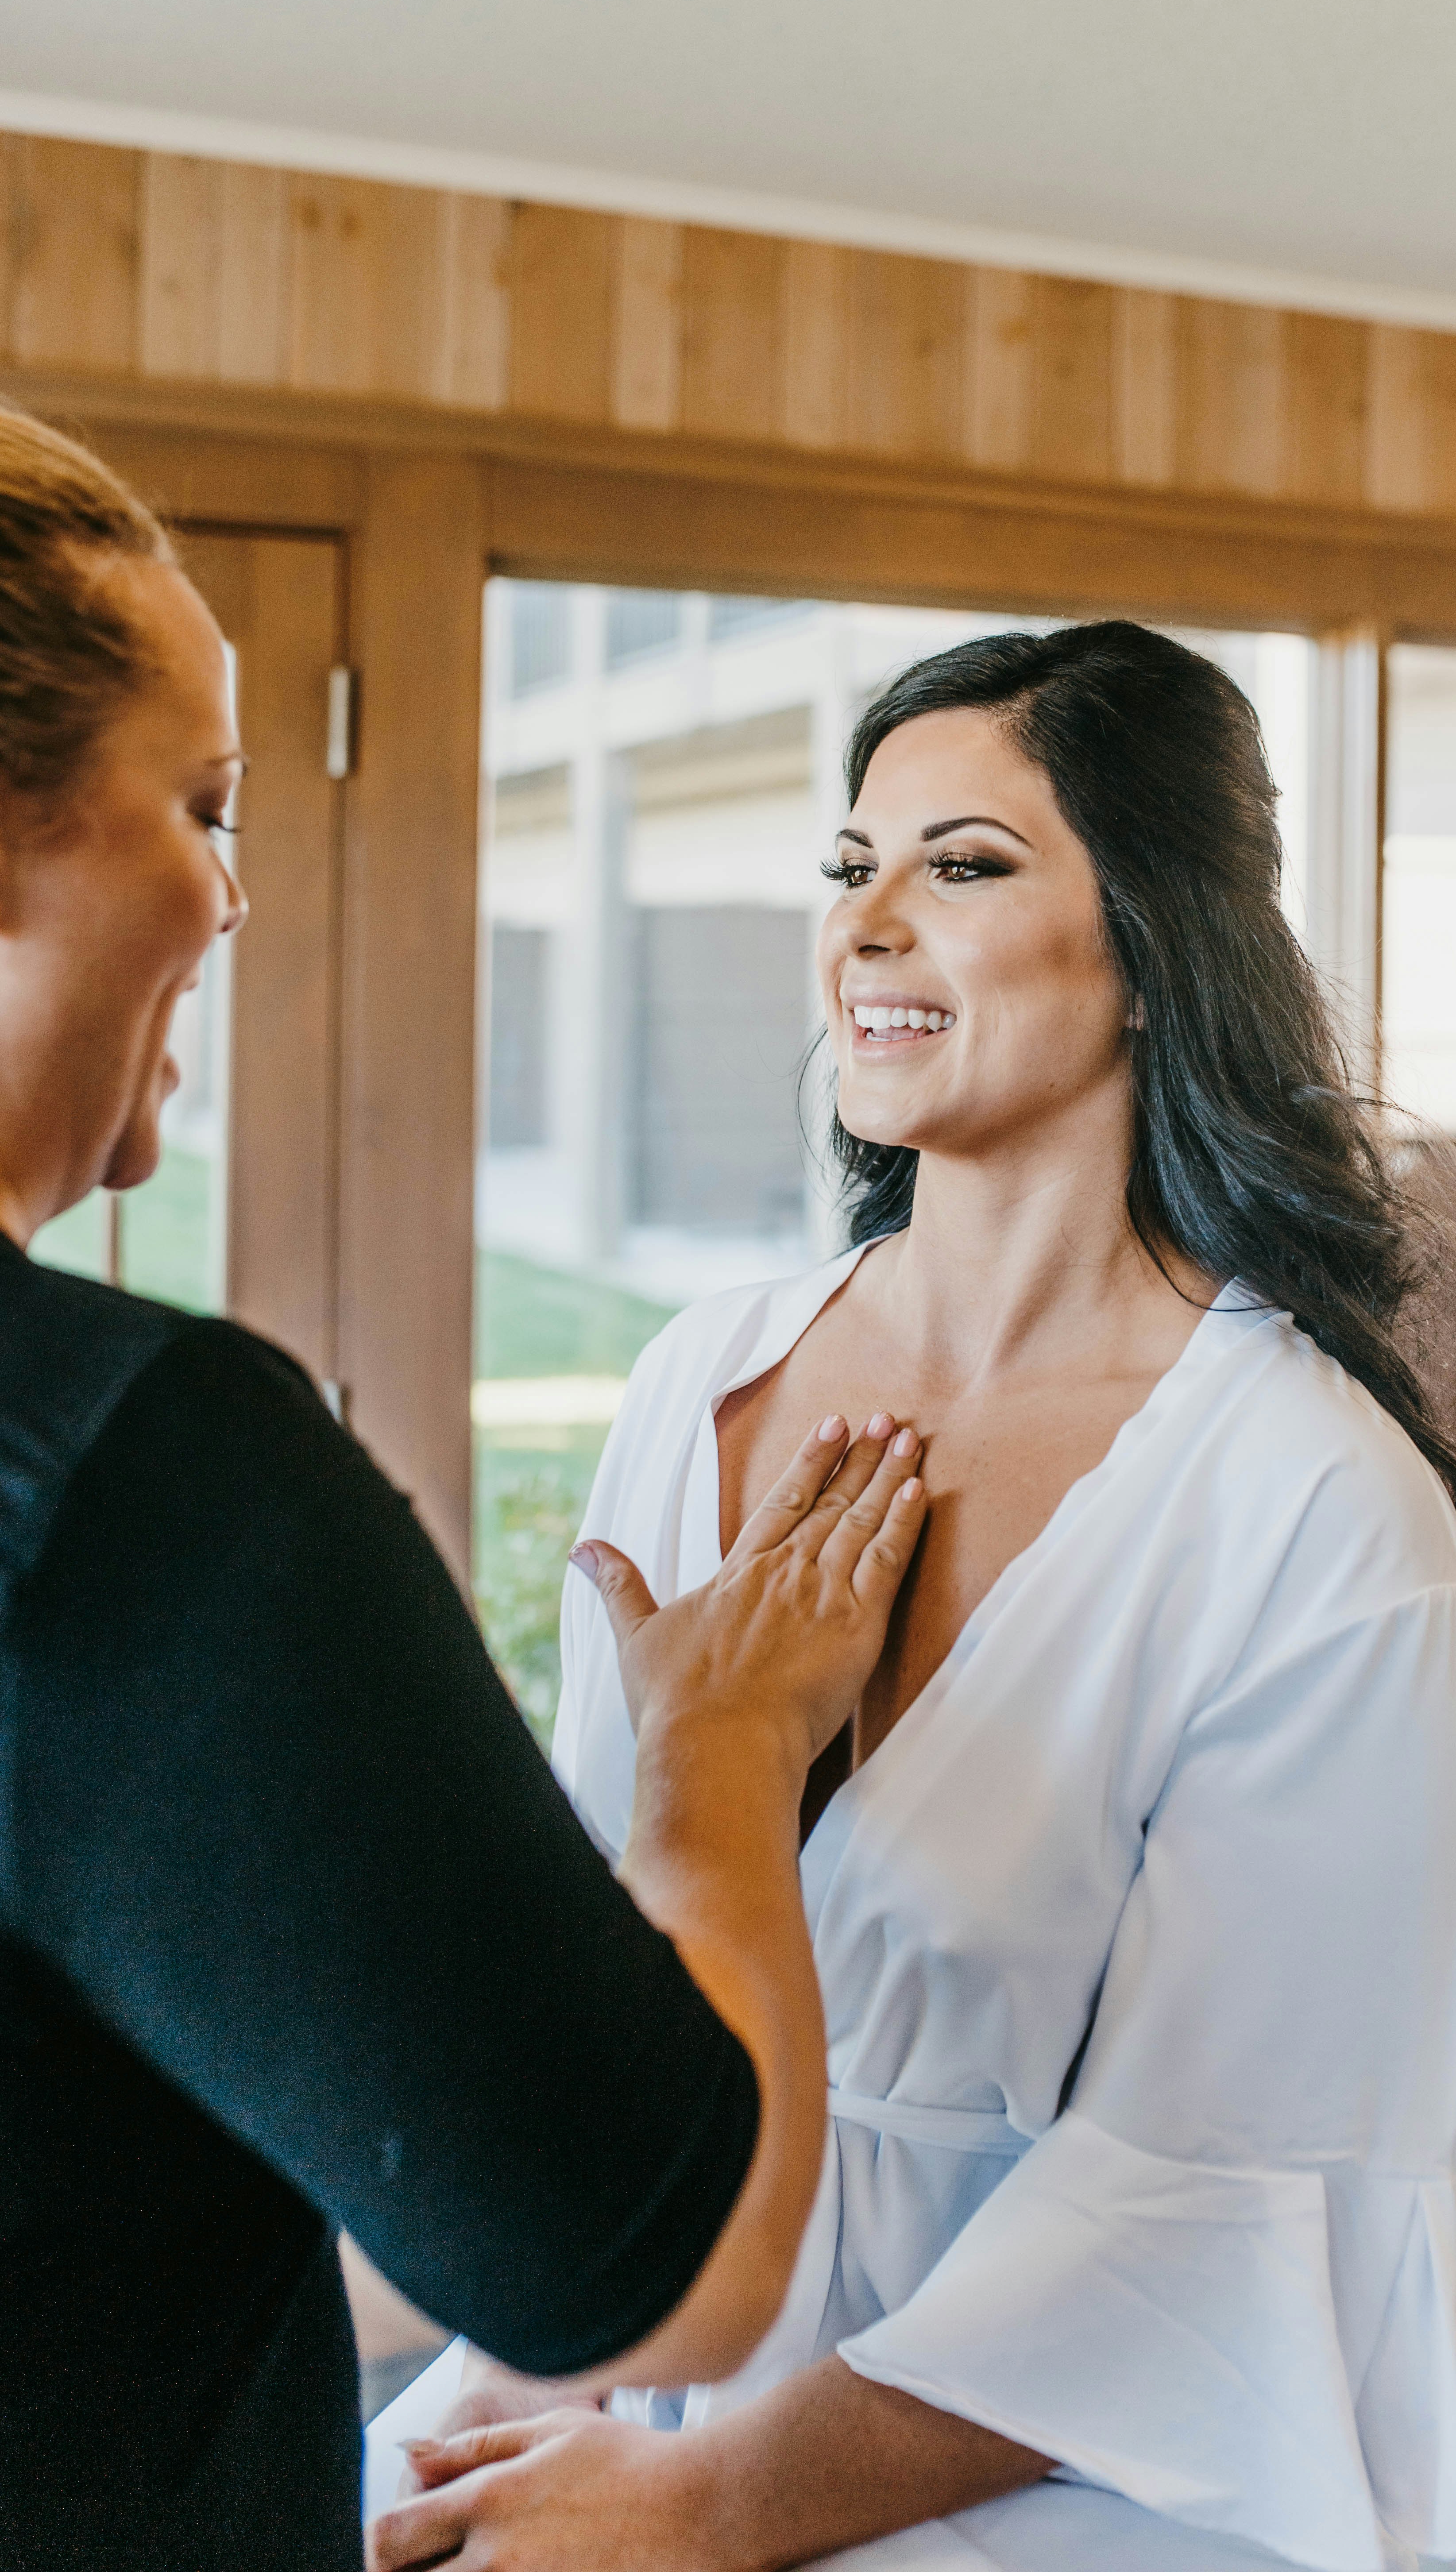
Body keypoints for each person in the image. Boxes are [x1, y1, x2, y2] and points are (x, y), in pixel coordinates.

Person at [368, 624, 1456, 2571]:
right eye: (846, 865)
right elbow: (604, 1966)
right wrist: (571, 2357)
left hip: (1081, 2443)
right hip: (641, 2330)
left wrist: (718, 2503)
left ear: (1152, 941)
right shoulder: (699, 1382)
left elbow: (1220, 2209)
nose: (865, 922)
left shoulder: (1310, 1505)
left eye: (957, 865)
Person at [0, 399, 928, 2568]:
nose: (234, 893)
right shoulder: (134, 1482)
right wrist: (718, 1752)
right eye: (203, 807)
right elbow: (659, 2261)